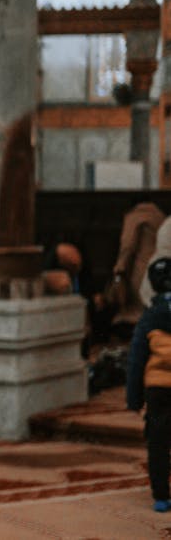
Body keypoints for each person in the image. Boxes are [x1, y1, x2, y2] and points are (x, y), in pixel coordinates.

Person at [126, 257, 171, 512]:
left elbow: (136, 359)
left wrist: (134, 399)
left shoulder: (150, 316)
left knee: (158, 442)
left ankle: (161, 496)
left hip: (157, 389)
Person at [110, 199, 165, 342]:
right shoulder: (159, 214)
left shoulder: (137, 215)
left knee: (133, 315)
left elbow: (127, 246)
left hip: (138, 273)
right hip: (157, 274)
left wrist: (119, 272)